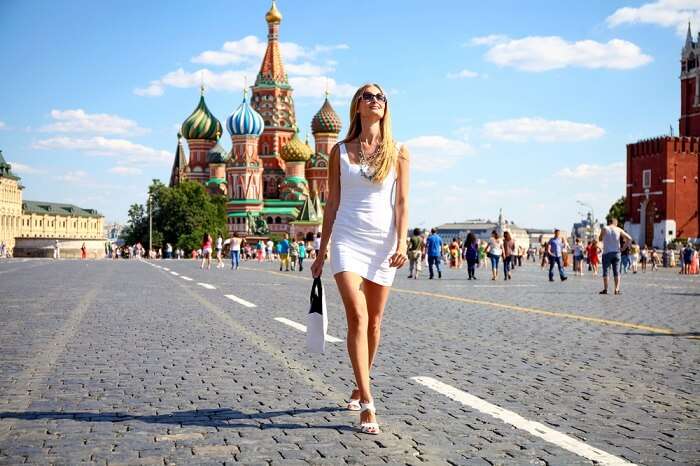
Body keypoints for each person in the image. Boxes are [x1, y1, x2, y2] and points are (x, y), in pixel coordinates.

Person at [310, 83, 409, 435]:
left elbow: (401, 203)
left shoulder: (398, 152)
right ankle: (367, 402)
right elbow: (332, 203)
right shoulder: (339, 151)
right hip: (347, 241)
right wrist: (322, 250)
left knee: (375, 323)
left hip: (382, 244)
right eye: (369, 96)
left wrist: (402, 242)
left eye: (381, 97)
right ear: (357, 106)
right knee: (357, 315)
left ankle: (358, 382)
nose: (376, 101)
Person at [598, 217, 631, 295]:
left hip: (606, 253)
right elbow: (629, 238)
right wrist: (623, 248)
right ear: (616, 223)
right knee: (617, 272)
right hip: (617, 253)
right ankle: (616, 289)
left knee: (606, 272)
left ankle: (605, 289)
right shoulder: (619, 229)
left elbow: (599, 239)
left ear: (609, 222)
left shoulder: (605, 228)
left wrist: (603, 237)